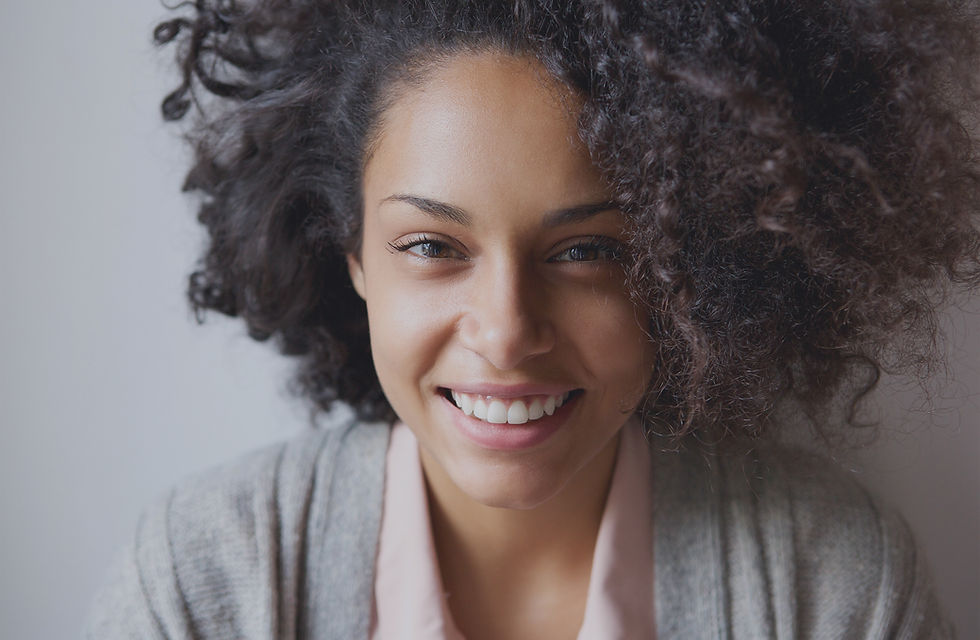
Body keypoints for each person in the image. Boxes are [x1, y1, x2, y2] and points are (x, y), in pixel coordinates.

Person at [86, 1, 980, 638]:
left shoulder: (831, 581)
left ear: (687, 272)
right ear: (351, 256)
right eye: (433, 247)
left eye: (587, 250)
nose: (507, 332)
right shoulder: (204, 582)